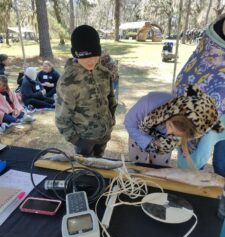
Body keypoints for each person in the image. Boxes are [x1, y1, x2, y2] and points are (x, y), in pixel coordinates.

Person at [173, 14, 225, 176]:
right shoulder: (213, 40)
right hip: (200, 101)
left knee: (222, 164)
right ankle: (190, 192)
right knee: (192, 164)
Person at [56, 25, 117, 157]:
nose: (90, 61)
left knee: (100, 167)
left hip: (104, 135)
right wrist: (77, 141)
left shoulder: (104, 73)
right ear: (76, 54)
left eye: (94, 56)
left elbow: (111, 100)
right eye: (84, 57)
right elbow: (62, 117)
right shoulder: (68, 81)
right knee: (85, 172)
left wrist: (111, 121)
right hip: (84, 140)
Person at [124, 85, 224, 167]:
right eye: (170, 126)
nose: (168, 133)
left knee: (160, 169)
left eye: (174, 134)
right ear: (170, 115)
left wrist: (168, 142)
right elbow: (129, 123)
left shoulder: (189, 124)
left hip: (163, 142)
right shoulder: (148, 103)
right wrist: (149, 141)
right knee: (137, 167)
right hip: (138, 131)